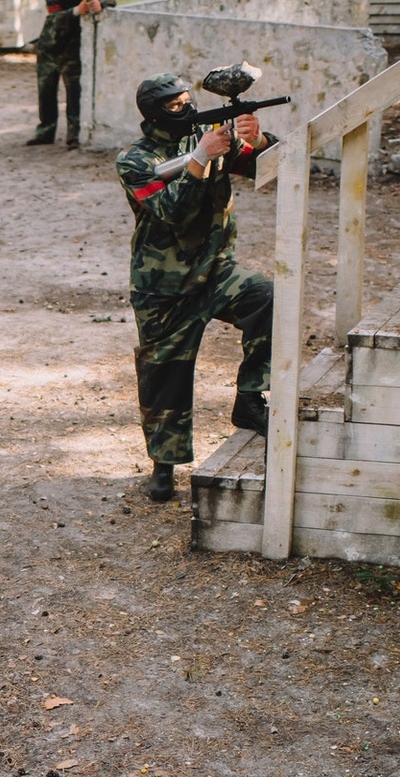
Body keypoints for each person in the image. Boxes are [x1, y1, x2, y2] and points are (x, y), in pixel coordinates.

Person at [116, 73, 276, 502]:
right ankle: (163, 465)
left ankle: (250, 399)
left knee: (266, 297)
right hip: (163, 286)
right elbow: (173, 210)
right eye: (175, 105)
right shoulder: (134, 161)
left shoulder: (209, 139)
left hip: (215, 271)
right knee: (164, 376)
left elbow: (267, 165)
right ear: (154, 113)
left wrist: (257, 139)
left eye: (188, 100)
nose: (186, 109)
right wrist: (201, 157)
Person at [28, 0, 110, 148]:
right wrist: (76, 11)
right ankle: (45, 132)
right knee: (46, 91)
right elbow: (54, 18)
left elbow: (111, 2)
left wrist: (100, 4)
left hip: (74, 49)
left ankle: (74, 134)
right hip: (50, 47)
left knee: (74, 92)